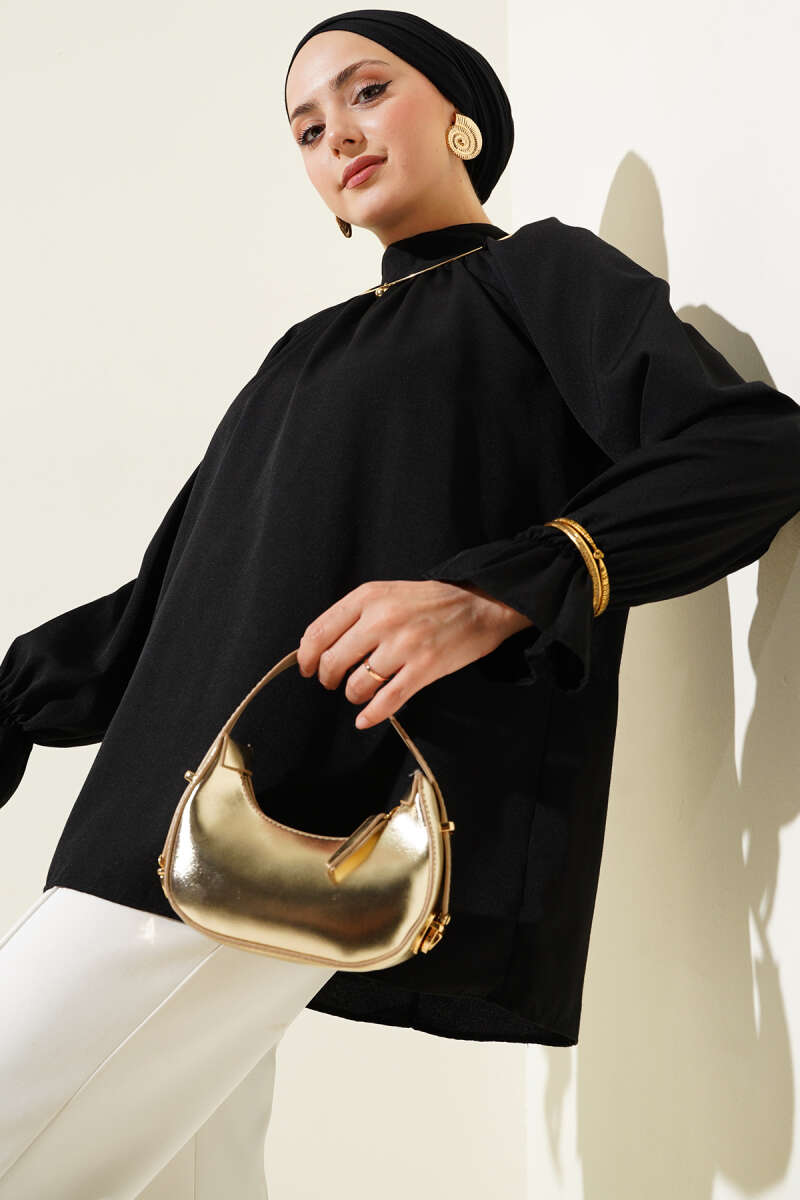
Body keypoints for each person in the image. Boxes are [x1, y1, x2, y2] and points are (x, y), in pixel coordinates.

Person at [2, 7, 800, 1197]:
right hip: (158, 812)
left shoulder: (537, 275)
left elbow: (748, 448)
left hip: (308, 813)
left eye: (366, 92)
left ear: (461, 116)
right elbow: (167, 602)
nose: (337, 134)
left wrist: (500, 590)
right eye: (305, 127)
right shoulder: (298, 353)